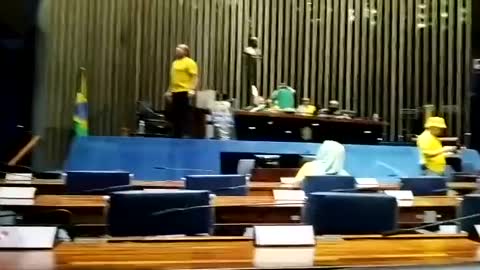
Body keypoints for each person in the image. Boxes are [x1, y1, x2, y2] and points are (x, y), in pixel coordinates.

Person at [168, 44, 198, 138]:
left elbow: (195, 77)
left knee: (185, 113)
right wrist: (169, 90)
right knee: (175, 114)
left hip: (185, 91)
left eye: (180, 48)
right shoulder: (175, 63)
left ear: (185, 51)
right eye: (177, 47)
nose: (177, 49)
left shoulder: (190, 62)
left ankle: (187, 133)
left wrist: (192, 89)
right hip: (175, 91)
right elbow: (173, 78)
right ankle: (176, 134)